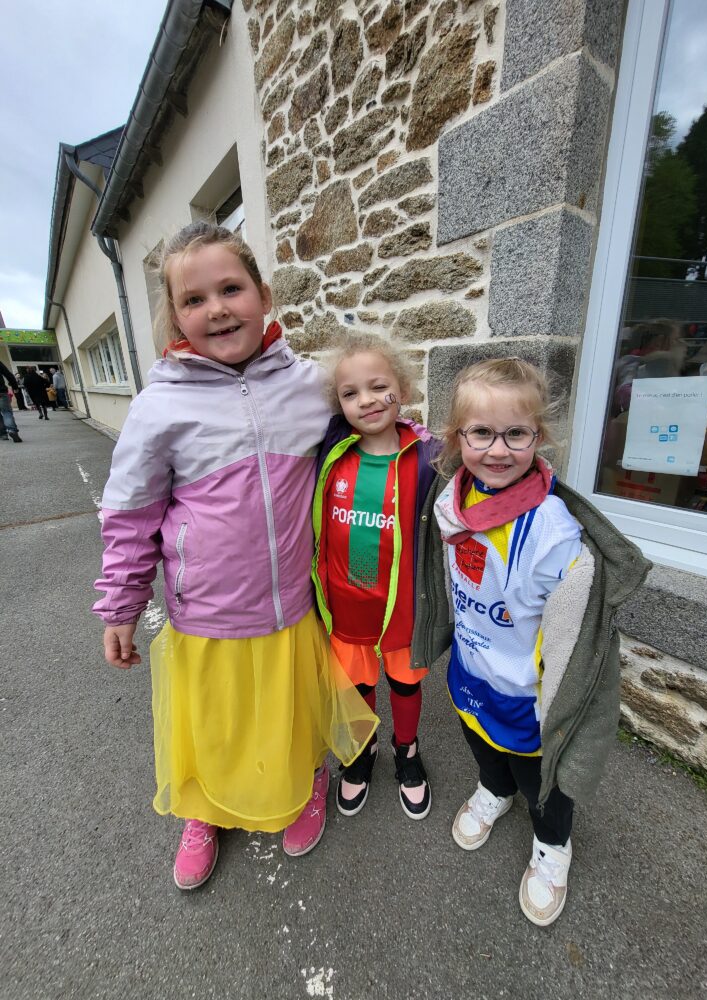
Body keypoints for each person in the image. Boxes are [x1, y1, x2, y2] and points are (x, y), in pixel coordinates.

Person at [92, 221, 377, 891]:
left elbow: (373, 432)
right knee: (215, 722)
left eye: (230, 289)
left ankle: (303, 782)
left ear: (263, 294)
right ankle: (206, 806)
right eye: (194, 300)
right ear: (175, 317)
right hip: (207, 613)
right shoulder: (159, 407)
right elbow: (130, 516)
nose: (216, 309)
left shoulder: (310, 386)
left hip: (292, 607)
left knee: (290, 712)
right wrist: (121, 606)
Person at [412, 358, 649, 926]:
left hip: (528, 691)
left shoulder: (554, 531)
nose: (498, 450)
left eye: (515, 433)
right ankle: (492, 791)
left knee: (541, 778)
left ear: (538, 437)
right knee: (481, 744)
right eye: (481, 432)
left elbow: (576, 629)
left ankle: (552, 844)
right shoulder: (448, 503)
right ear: (457, 437)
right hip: (472, 668)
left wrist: (556, 700)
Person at [311, 334, 440, 820]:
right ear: (338, 404)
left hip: (402, 605)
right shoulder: (329, 453)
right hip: (348, 605)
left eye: (379, 386)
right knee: (358, 685)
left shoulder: (430, 457)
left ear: (401, 389)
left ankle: (407, 749)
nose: (366, 400)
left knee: (405, 685)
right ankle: (362, 750)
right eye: (351, 393)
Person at [0, 360, 22, 442]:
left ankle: (3, 434)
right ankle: (12, 430)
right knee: (6, 412)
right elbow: (8, 374)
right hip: (1, 392)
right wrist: (15, 386)